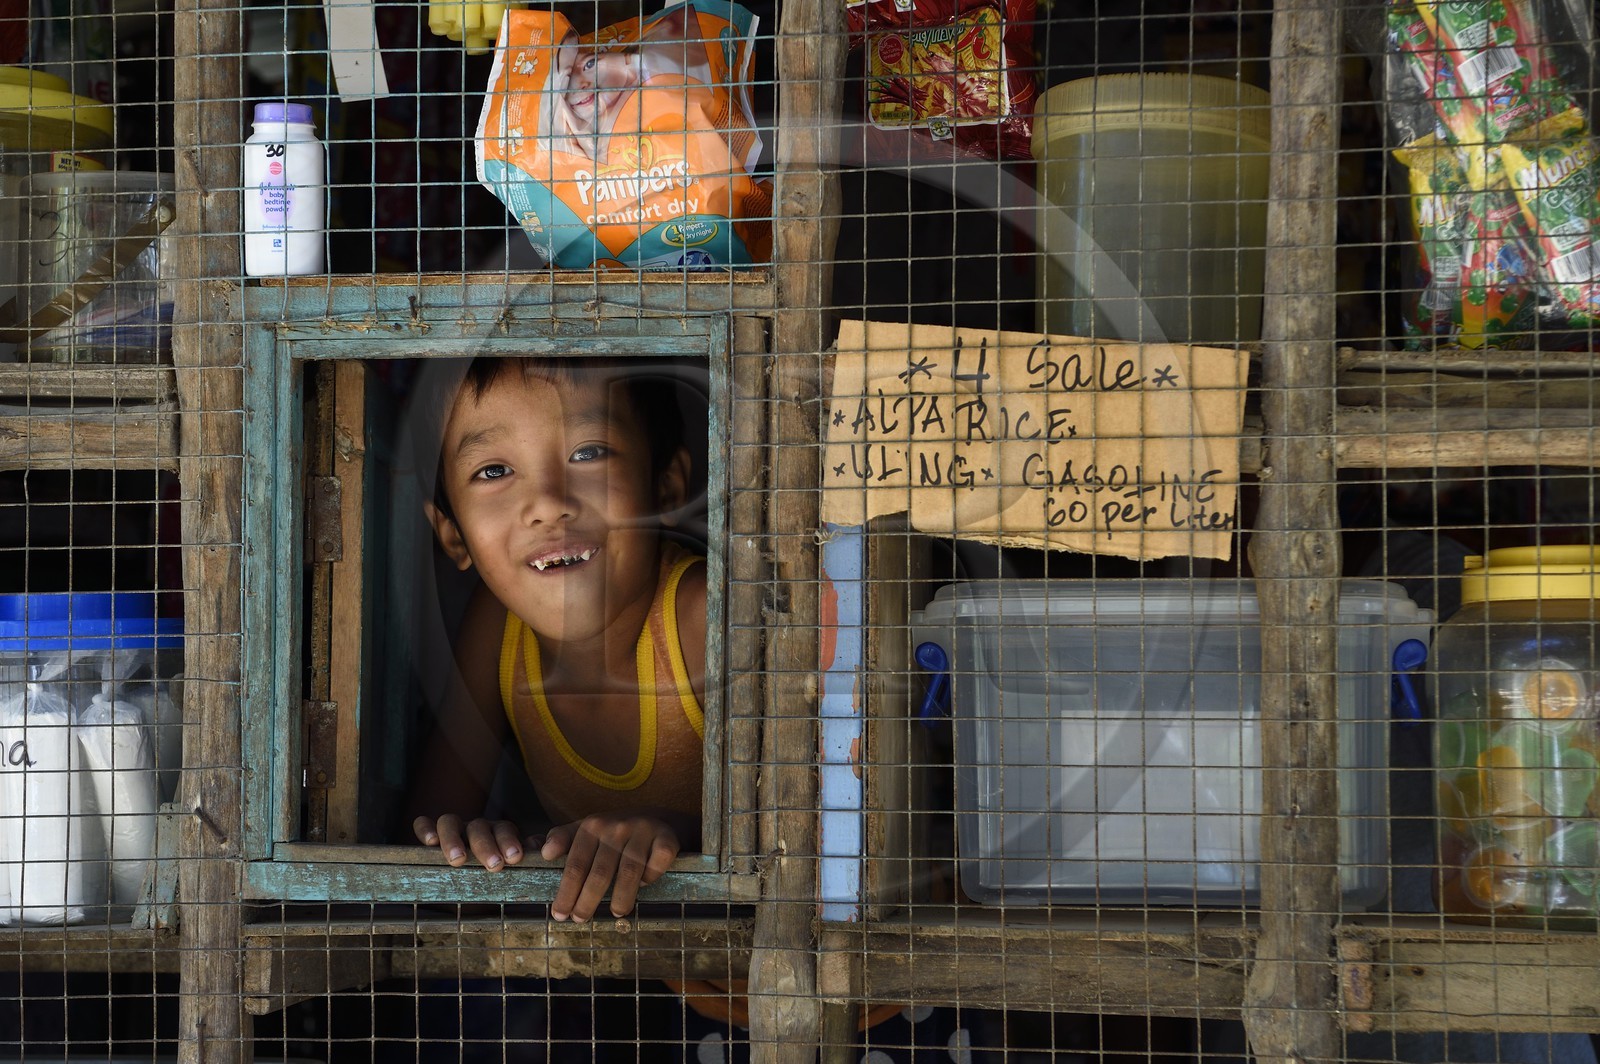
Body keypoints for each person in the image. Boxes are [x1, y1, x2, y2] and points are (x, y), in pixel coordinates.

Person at [409, 356, 706, 924]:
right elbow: (430, 821)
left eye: (588, 453)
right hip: (674, 986)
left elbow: (811, 816)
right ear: (452, 534)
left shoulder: (699, 618)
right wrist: (475, 839)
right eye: (493, 471)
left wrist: (676, 836)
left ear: (665, 486)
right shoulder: (499, 630)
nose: (548, 502)